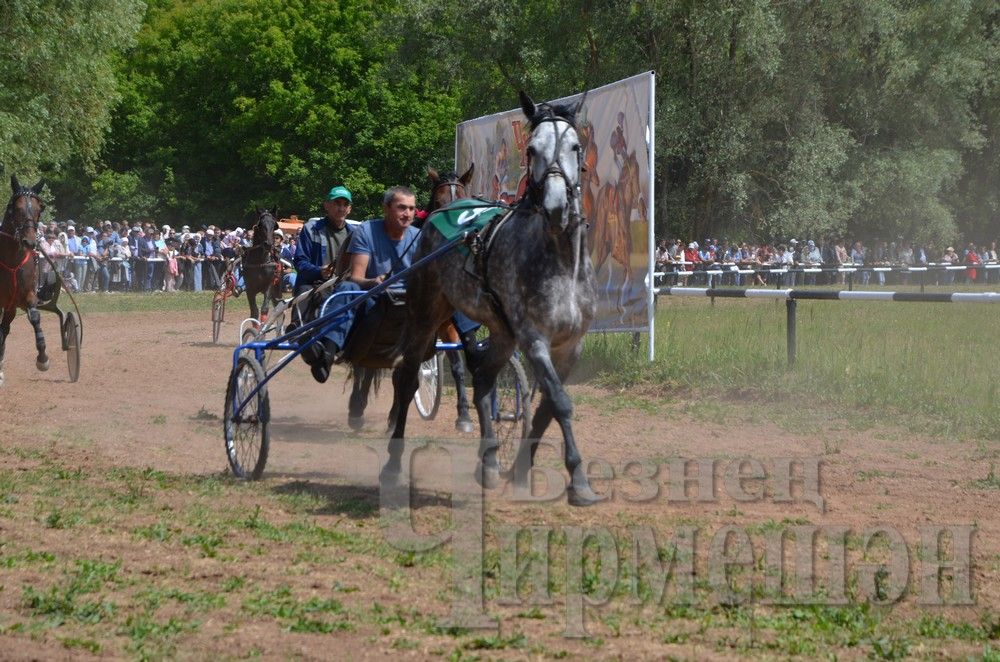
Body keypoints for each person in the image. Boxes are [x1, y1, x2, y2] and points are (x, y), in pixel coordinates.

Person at [300, 186, 419, 384]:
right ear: (386, 208)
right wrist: (373, 281)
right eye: (401, 208)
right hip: (355, 293)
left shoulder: (418, 237)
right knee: (346, 289)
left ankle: (472, 345)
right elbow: (356, 276)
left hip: (407, 304)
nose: (407, 214)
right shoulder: (319, 229)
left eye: (411, 209)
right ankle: (324, 351)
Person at [293, 185, 355, 295]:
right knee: (303, 302)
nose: (341, 208)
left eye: (345, 204)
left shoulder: (355, 234)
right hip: (313, 287)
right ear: (326, 205)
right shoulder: (311, 229)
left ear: (349, 209)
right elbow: (300, 262)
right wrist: (319, 271)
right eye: (337, 203)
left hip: (344, 290)